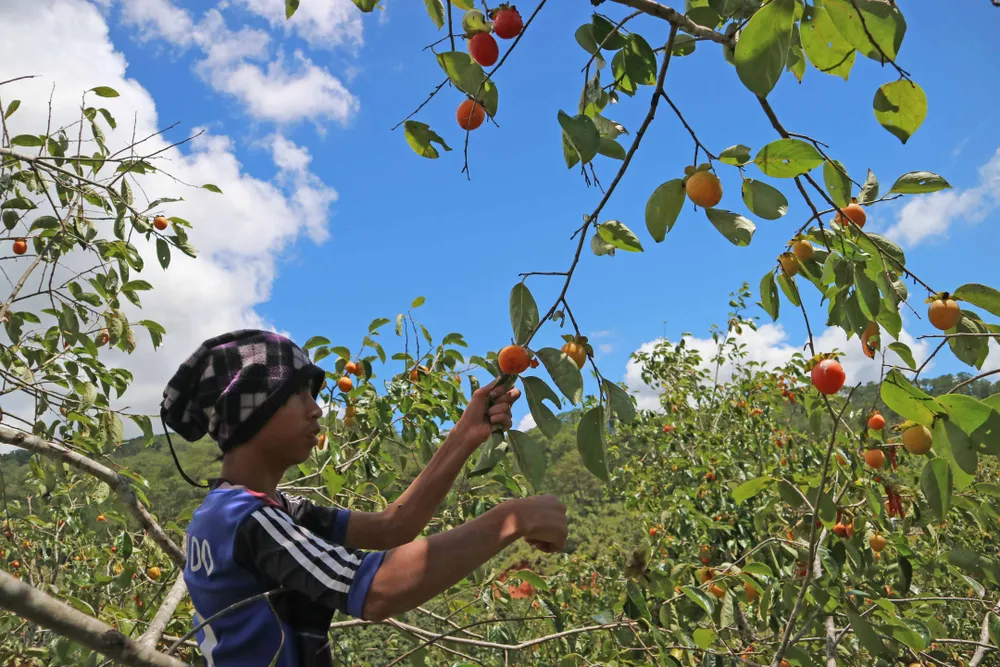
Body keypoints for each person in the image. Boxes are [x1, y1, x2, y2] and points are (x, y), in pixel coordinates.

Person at [159, 330, 568, 667]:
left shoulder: (255, 511)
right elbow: (377, 591)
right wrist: (513, 517)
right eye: (299, 396)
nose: (317, 411)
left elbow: (393, 526)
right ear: (252, 410)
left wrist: (466, 433)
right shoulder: (246, 519)